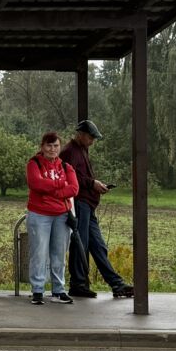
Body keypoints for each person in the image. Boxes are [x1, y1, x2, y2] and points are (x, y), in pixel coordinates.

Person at [60, 120, 134, 299]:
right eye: (91, 137)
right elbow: (72, 177)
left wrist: (95, 185)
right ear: (81, 134)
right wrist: (93, 183)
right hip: (79, 204)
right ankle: (78, 284)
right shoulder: (70, 151)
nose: (92, 141)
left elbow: (81, 176)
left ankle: (116, 284)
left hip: (88, 205)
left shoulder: (82, 150)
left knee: (98, 246)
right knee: (80, 245)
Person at [25, 131, 78, 306]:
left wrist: (51, 193)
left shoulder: (66, 167)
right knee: (39, 253)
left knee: (59, 254)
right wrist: (59, 185)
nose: (52, 149)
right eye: (49, 145)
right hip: (39, 215)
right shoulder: (34, 164)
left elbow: (74, 189)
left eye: (56, 145)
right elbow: (36, 184)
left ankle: (58, 290)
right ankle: (38, 291)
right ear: (42, 146)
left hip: (62, 216)